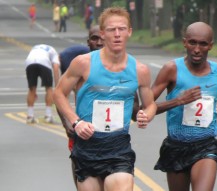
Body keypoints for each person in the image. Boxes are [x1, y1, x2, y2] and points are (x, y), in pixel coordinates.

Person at [53, 7, 157, 191]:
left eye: (122, 29)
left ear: (129, 32)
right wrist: (76, 122)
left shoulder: (140, 70)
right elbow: (59, 93)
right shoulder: (83, 63)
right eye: (111, 29)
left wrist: (146, 115)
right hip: (87, 146)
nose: (117, 34)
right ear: (102, 33)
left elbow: (150, 105)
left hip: (118, 148)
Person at [151, 22, 217, 191]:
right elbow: (145, 108)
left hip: (206, 145)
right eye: (192, 43)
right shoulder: (171, 69)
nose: (197, 49)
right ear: (185, 42)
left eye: (203, 44)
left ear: (211, 46)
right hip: (176, 145)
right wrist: (177, 101)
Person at [57, 25, 104, 188]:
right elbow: (59, 94)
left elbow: (136, 108)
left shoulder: (122, 67)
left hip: (113, 140)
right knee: (82, 181)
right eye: (94, 39)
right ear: (88, 42)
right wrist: (68, 123)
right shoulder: (80, 67)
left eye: (102, 38)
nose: (99, 43)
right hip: (83, 134)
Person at [25, 44, 60, 124]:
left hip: (29, 62)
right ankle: (48, 115)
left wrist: (33, 93)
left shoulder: (35, 47)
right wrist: (58, 85)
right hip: (44, 62)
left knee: (31, 89)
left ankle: (30, 116)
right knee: (49, 88)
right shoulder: (54, 52)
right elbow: (55, 67)